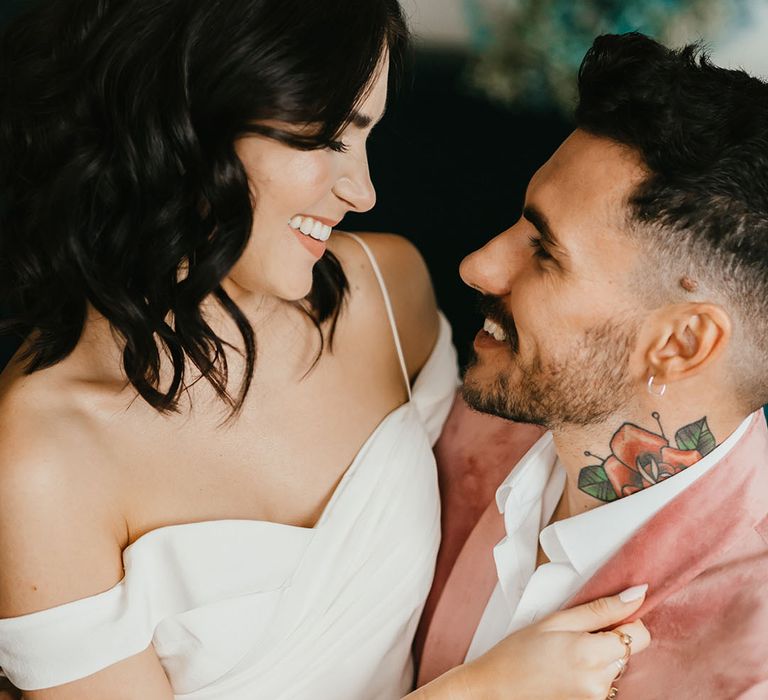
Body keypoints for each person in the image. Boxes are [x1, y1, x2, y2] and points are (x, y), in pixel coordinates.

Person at [0, 2, 648, 698]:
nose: (362, 192)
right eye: (328, 139)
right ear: (186, 111)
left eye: (367, 139)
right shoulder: (39, 459)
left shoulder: (384, 292)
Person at [416, 31, 768, 699]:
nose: (477, 266)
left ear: (681, 344)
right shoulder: (463, 416)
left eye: (544, 253)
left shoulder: (750, 665)